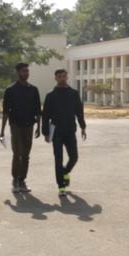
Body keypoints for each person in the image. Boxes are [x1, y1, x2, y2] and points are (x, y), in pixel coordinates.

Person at [42, 69, 87, 197]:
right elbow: (45, 116)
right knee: (58, 159)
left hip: (70, 130)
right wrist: (46, 132)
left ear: (67, 77)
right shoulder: (50, 95)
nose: (62, 78)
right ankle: (61, 186)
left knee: (74, 157)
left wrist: (83, 127)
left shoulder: (73, 94)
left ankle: (65, 172)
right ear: (55, 78)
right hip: (56, 131)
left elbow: (79, 112)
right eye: (59, 76)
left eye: (64, 76)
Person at [0, 63, 41, 193]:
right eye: (24, 71)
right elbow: (5, 111)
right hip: (15, 125)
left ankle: (22, 180)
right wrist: (2, 130)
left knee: (26, 154)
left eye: (27, 71)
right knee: (17, 153)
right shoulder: (10, 90)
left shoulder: (33, 89)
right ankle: (15, 180)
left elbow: (38, 110)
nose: (26, 73)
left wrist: (39, 127)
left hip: (29, 125)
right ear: (18, 72)